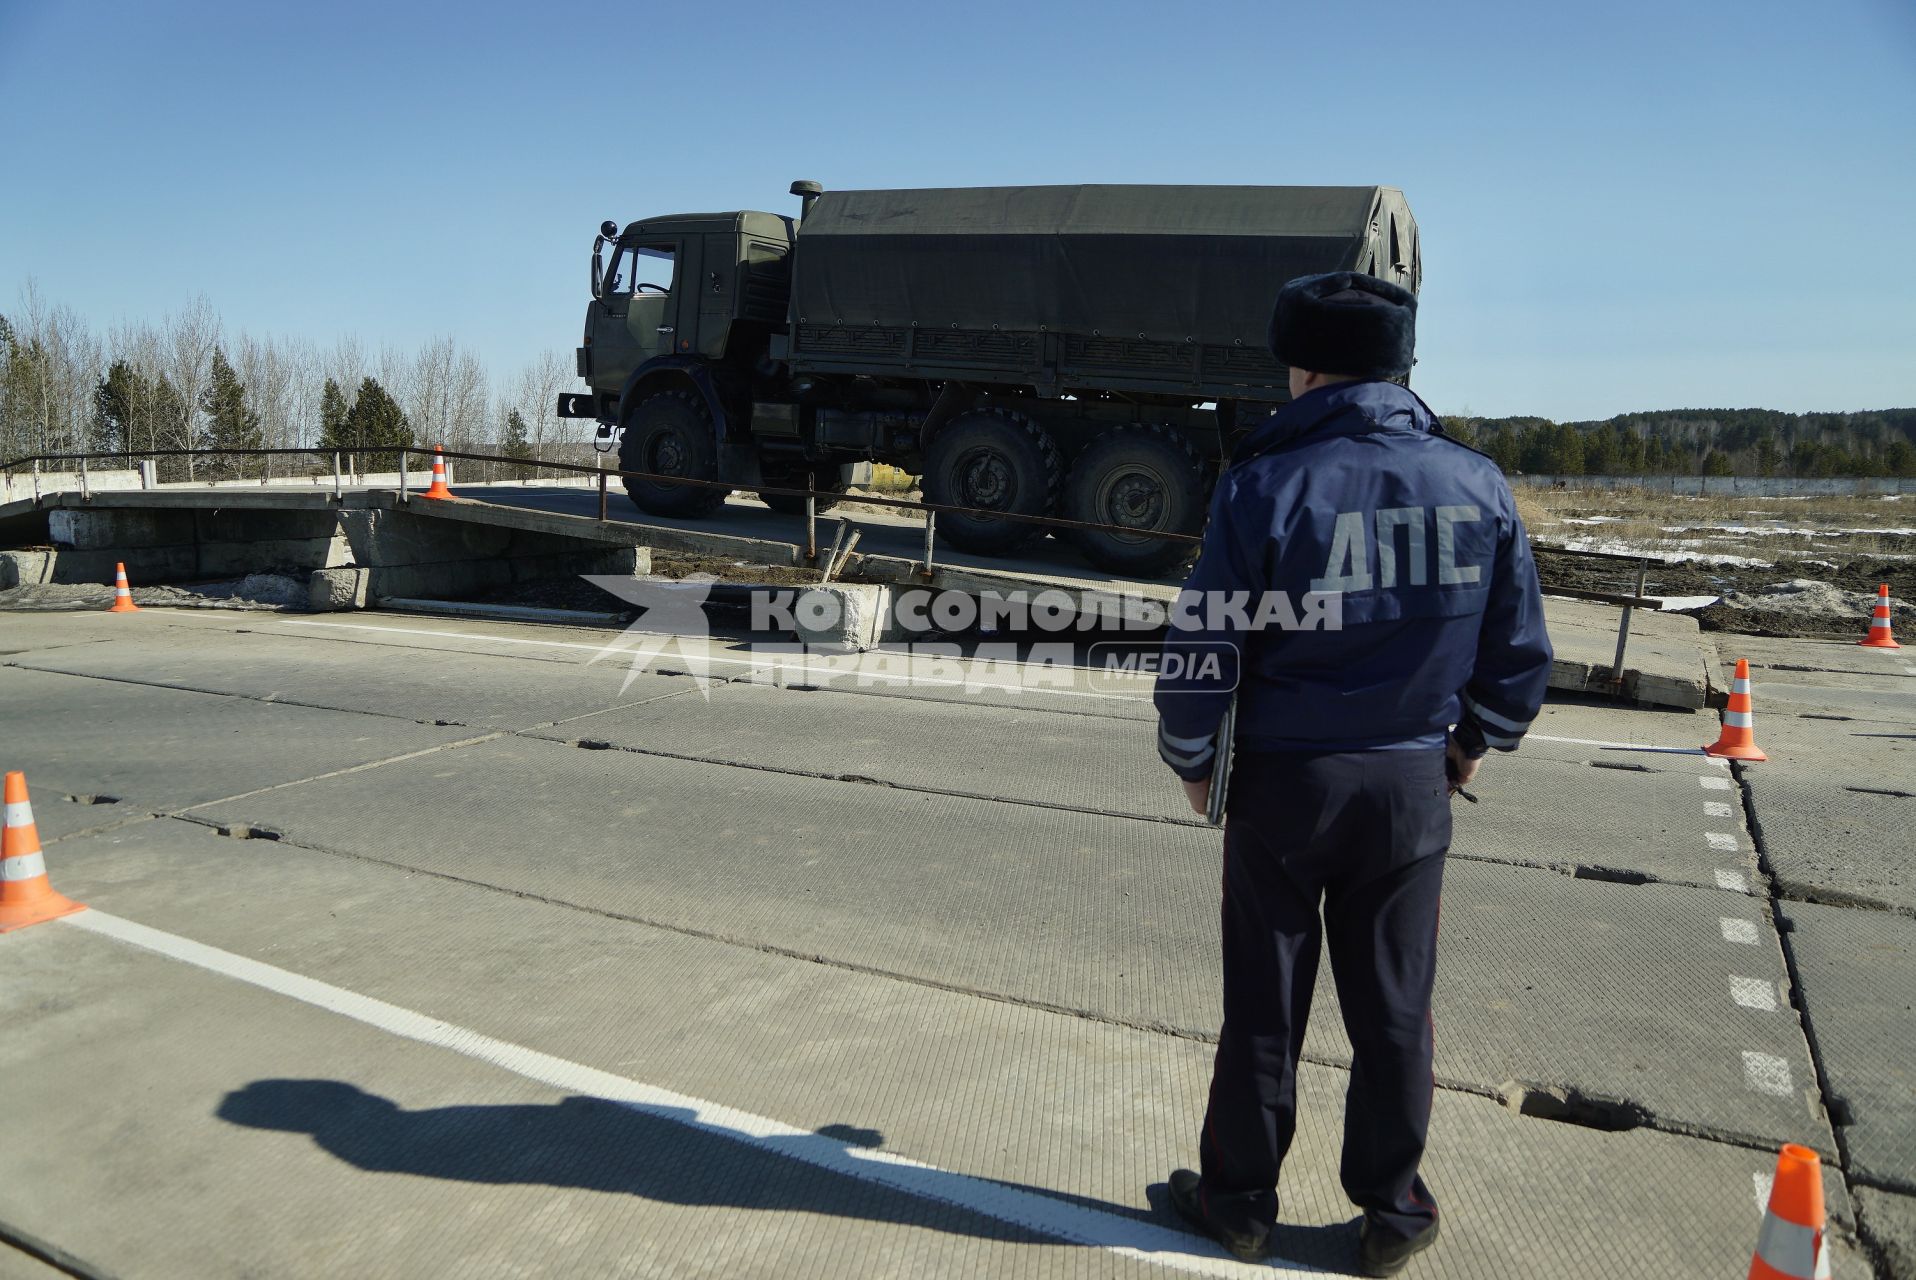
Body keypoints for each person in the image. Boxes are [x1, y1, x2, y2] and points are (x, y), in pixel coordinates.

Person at [1152, 271, 1552, 1275]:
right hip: (1412, 785)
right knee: (1393, 1005)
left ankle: (1236, 1200)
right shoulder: (1476, 483)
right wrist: (1465, 744)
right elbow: (1517, 658)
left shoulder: (1262, 483)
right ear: (1400, 366)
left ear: (1305, 366)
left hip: (1284, 786)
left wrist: (1193, 759)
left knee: (1263, 1003)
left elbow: (1204, 644)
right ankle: (1392, 1212)